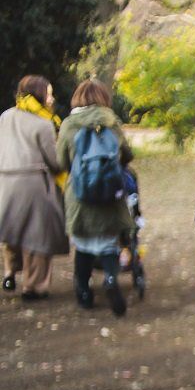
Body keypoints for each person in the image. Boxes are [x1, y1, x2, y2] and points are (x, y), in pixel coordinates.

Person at [56, 79, 134, 316]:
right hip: (110, 195)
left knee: (83, 246)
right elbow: (127, 155)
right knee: (109, 244)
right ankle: (110, 279)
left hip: (79, 197)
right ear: (104, 98)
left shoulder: (69, 124)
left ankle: (84, 293)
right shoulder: (112, 122)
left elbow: (61, 162)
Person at [0, 75, 70, 299]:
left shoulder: (5, 117)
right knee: (38, 235)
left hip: (5, 180)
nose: (52, 98)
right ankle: (34, 286)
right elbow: (54, 162)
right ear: (40, 94)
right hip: (33, 182)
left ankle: (10, 271)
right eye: (48, 93)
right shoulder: (44, 123)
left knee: (12, 229)